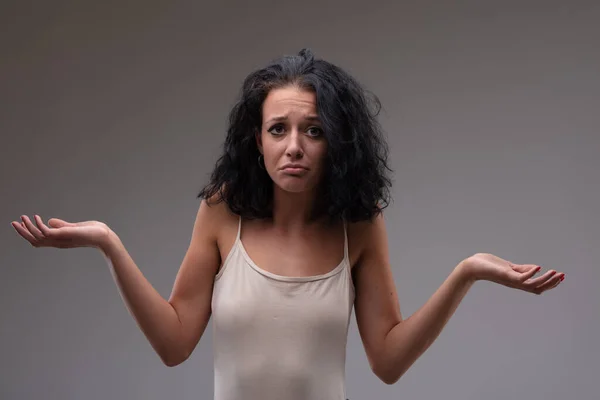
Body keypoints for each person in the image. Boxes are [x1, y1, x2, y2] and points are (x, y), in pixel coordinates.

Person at [11, 48, 565, 400]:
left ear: (337, 143)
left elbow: (389, 362)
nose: (294, 147)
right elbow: (175, 342)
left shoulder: (359, 225)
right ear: (257, 141)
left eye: (314, 131)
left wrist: (465, 274)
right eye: (278, 129)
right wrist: (109, 243)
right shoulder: (222, 211)